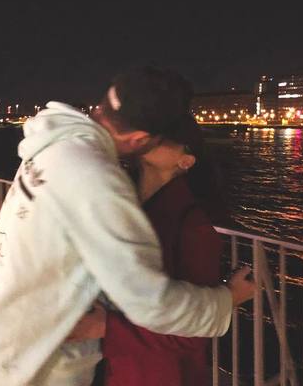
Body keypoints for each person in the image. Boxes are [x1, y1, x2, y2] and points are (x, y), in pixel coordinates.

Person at [0, 67, 254, 386]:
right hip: (33, 370)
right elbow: (151, 304)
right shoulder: (98, 182)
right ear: (139, 139)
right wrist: (226, 300)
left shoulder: (56, 145)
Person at [68, 115, 244, 386]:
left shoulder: (192, 226)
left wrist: (106, 328)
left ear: (185, 161)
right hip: (117, 368)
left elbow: (193, 330)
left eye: (166, 136)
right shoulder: (123, 206)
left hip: (160, 375)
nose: (151, 136)